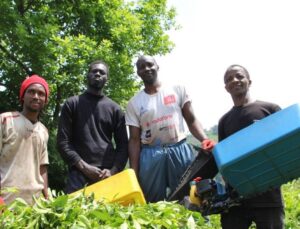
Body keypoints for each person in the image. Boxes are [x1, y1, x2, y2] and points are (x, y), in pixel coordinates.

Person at [125, 55, 215, 202]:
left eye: (149, 64)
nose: (146, 69)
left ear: (157, 66)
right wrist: (134, 171)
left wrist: (204, 139)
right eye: (141, 67)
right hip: (150, 154)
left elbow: (191, 120)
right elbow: (134, 140)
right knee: (152, 201)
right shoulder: (134, 103)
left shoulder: (177, 89)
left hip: (179, 148)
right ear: (138, 73)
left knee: (189, 197)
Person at [218, 64, 284, 229]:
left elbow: (284, 148)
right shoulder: (224, 121)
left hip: (268, 197)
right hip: (236, 200)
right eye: (229, 79)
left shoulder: (270, 109)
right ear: (226, 88)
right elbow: (223, 161)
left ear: (249, 81)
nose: (234, 80)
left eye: (239, 76)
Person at [57, 60, 129, 193]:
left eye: (102, 72)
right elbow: (63, 142)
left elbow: (124, 146)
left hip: (106, 176)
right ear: (87, 75)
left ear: (107, 78)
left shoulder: (115, 109)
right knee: (75, 213)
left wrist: (113, 171)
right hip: (78, 173)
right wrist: (84, 167)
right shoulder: (72, 104)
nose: (98, 74)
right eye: (94, 71)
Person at [0, 75, 50, 205]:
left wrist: (47, 199)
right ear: (23, 95)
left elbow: (42, 167)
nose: (36, 96)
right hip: (5, 200)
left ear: (45, 100)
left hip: (34, 205)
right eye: (31, 91)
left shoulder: (43, 131)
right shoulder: (5, 120)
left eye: (41, 94)